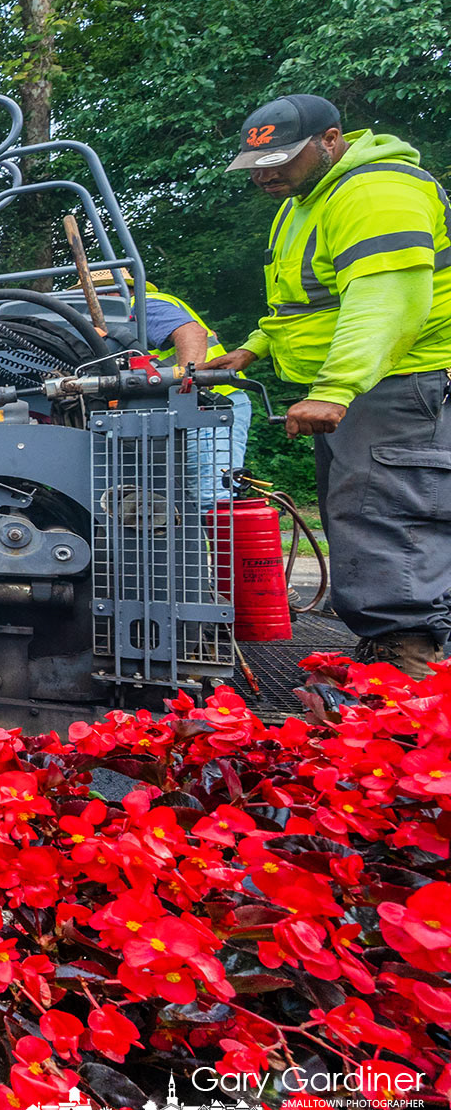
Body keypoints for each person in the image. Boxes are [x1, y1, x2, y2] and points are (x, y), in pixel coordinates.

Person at [204, 93, 451, 679]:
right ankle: (391, 647)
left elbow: (386, 301)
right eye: (257, 165)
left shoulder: (374, 194)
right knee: (358, 511)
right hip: (366, 386)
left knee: (386, 512)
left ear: (331, 140)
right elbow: (302, 304)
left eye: (282, 159)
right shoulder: (305, 203)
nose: (267, 174)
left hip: (396, 380)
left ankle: (410, 663)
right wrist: (253, 348)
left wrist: (336, 388)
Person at [133, 282, 253, 504]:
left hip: (209, 407)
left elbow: (192, 333)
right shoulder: (153, 304)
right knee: (195, 498)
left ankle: (224, 538)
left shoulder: (141, 305)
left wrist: (190, 385)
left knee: (212, 497)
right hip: (204, 406)